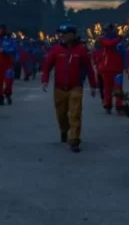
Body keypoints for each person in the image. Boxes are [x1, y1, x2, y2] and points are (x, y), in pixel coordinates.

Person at [41, 24, 97, 153]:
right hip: (59, 87)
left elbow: (89, 68)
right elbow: (47, 66)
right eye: (61, 33)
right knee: (61, 114)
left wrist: (93, 85)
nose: (62, 36)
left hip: (76, 87)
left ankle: (75, 140)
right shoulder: (56, 50)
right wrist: (45, 81)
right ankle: (64, 130)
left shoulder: (82, 50)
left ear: (73, 35)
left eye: (65, 33)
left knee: (75, 113)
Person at [97, 24, 125, 114]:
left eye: (108, 30)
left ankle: (119, 106)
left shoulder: (119, 40)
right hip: (106, 69)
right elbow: (109, 44)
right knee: (107, 89)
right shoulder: (102, 39)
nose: (106, 32)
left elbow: (124, 53)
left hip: (118, 69)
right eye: (106, 30)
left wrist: (126, 66)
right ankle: (107, 106)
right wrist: (119, 38)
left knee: (118, 89)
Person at [0, 24, 17, 105]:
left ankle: (8, 94)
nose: (1, 31)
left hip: (8, 63)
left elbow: (14, 49)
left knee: (9, 80)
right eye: (0, 29)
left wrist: (5, 50)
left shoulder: (10, 39)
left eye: (3, 29)